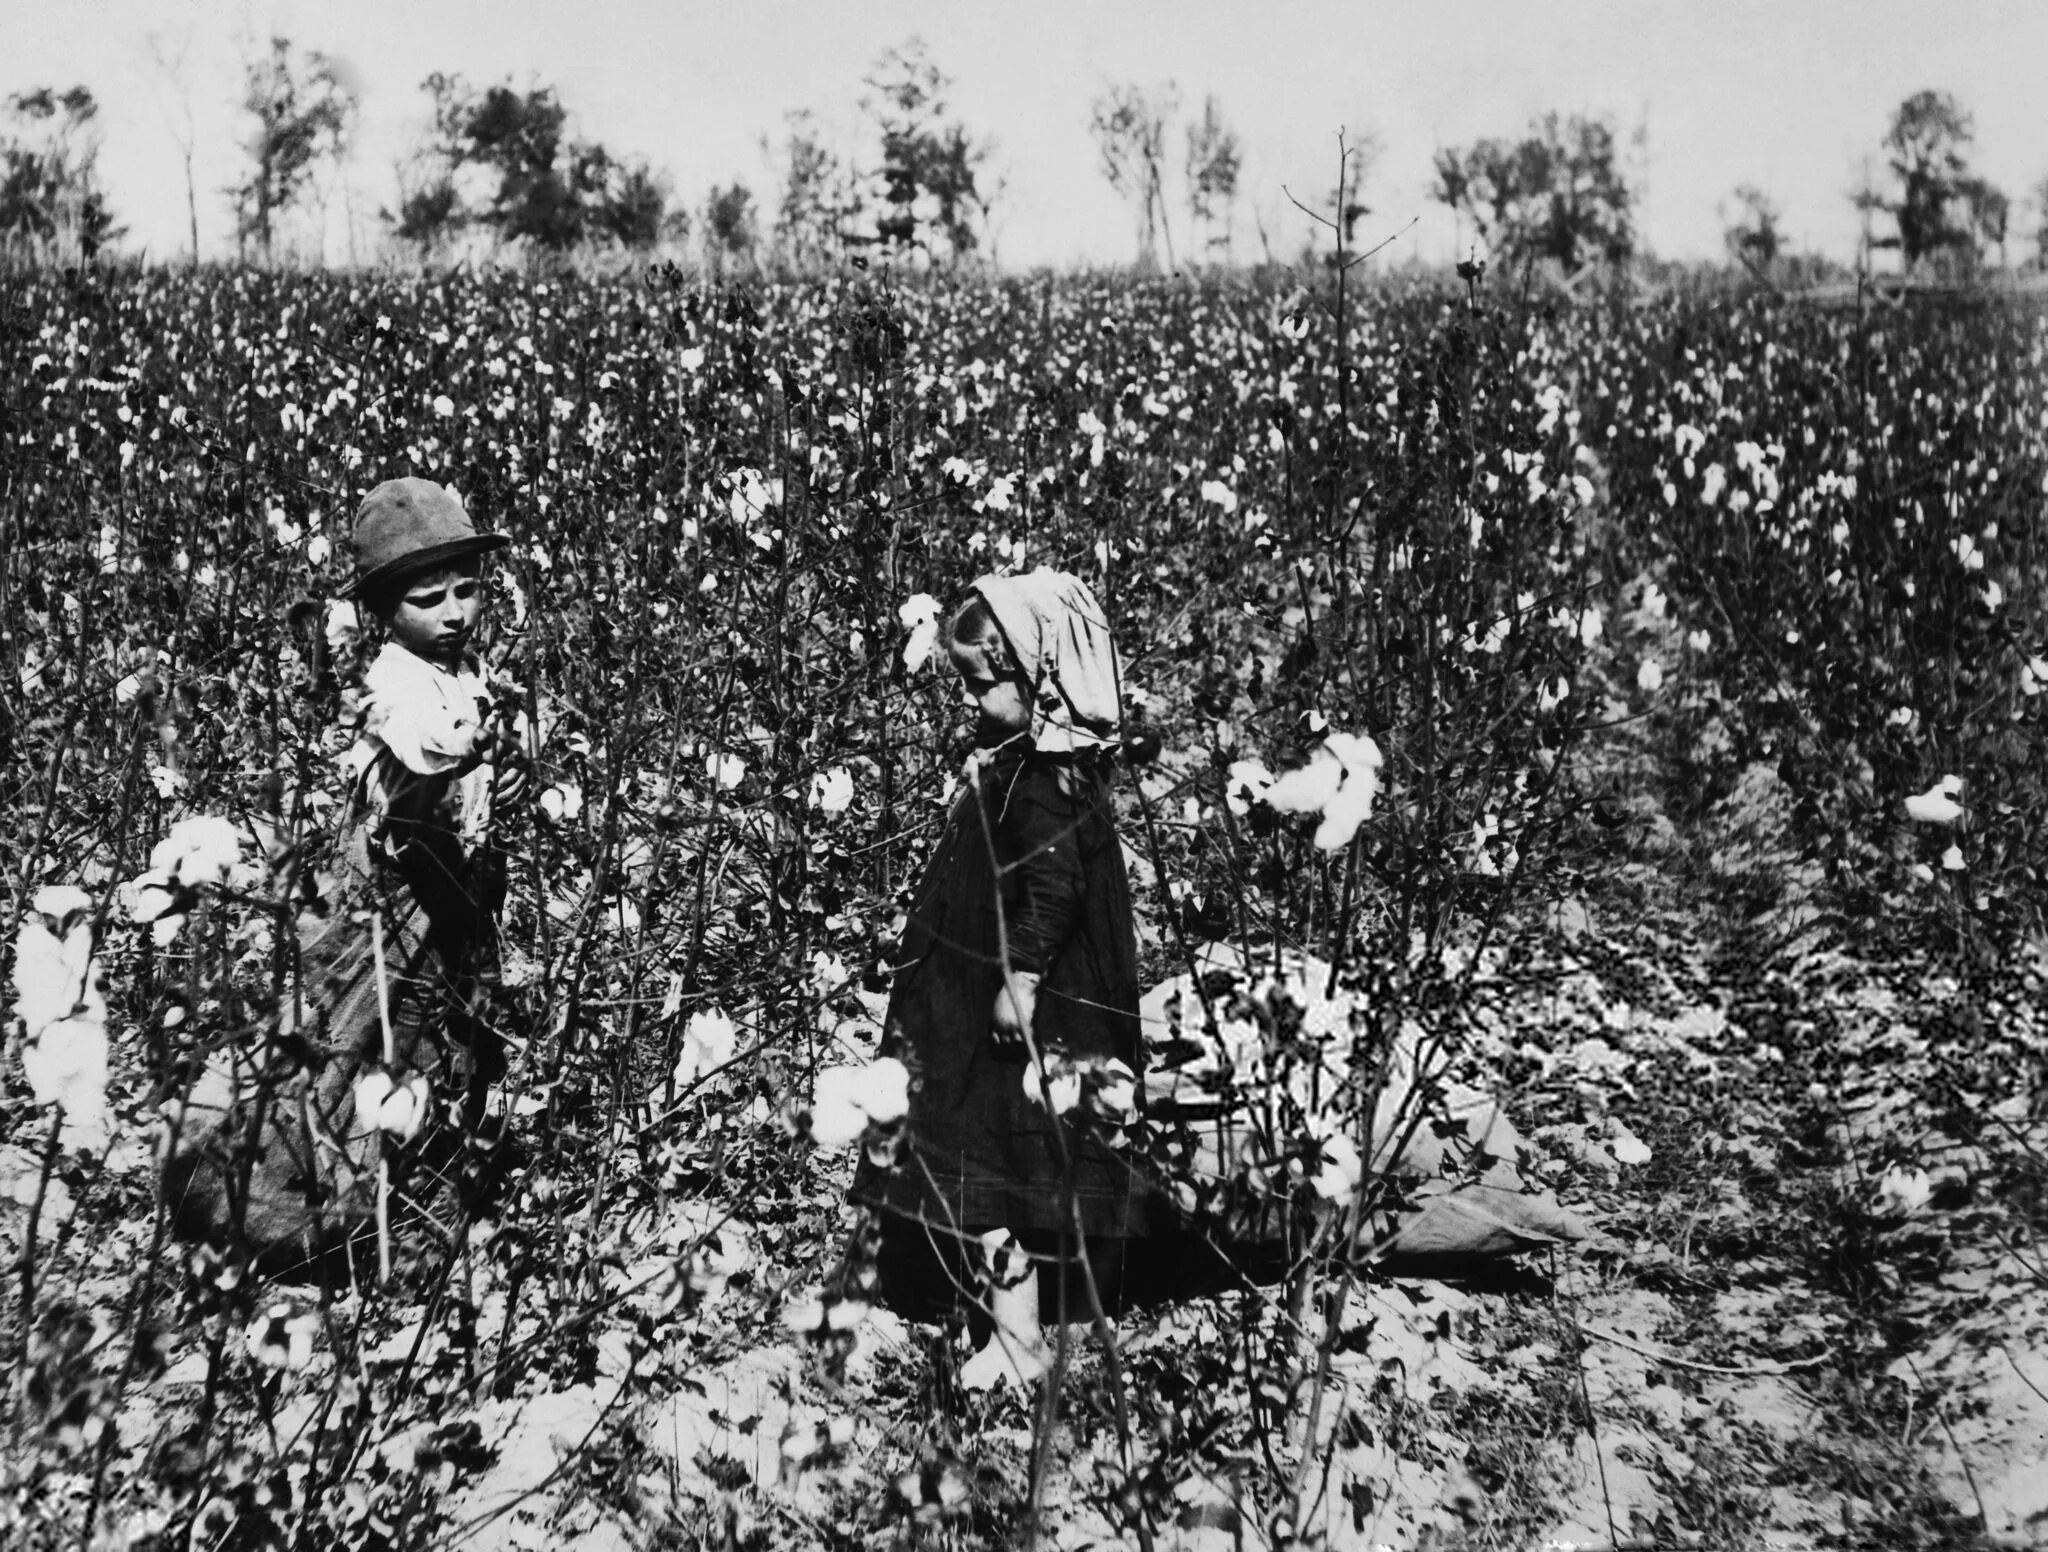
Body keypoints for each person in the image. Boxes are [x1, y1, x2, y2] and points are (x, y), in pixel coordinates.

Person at [165, 477, 529, 1274]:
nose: (454, 613)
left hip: (450, 898)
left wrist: (513, 746)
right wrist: (491, 734)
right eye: (429, 598)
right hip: (387, 904)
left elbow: (483, 750)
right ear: (383, 612)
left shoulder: (465, 671)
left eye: (468, 590)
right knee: (349, 1044)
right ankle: (279, 1215)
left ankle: (397, 1207)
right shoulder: (392, 683)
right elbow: (435, 747)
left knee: (433, 1043)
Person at [850, 568, 1156, 1389]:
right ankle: (1004, 1327)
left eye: (984, 687)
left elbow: (1053, 891)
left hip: (1021, 1010)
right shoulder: (1020, 763)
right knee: (990, 1177)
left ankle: (1021, 1342)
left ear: (1042, 683)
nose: (971, 703)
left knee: (993, 1178)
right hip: (979, 995)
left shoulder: (1048, 785)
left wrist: (1018, 975)